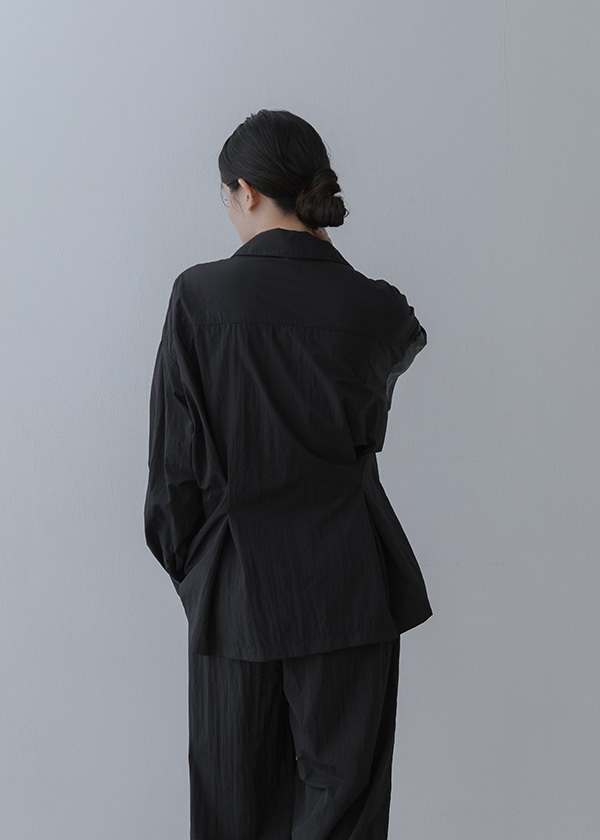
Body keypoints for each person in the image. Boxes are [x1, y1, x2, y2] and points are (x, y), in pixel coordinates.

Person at [144, 109, 432, 840]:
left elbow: (174, 477)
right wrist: (320, 251)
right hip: (349, 585)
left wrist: (200, 575)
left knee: (232, 808)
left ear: (245, 191)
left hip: (235, 587)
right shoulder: (376, 308)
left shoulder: (199, 298)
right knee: (345, 809)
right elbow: (396, 345)